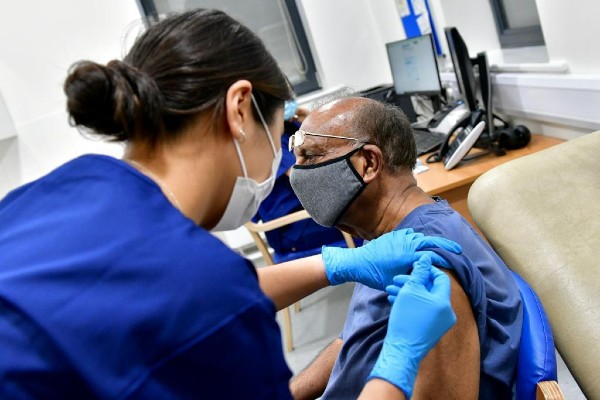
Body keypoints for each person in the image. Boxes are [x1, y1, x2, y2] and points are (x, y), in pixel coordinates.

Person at [0, 9, 463, 399]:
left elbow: (150, 302)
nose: (283, 160)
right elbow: (200, 299)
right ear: (240, 109)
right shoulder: (207, 291)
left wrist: (337, 265)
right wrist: (398, 364)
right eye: (281, 135)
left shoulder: (60, 188)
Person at [288, 97, 523, 400]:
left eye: (310, 156)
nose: (297, 173)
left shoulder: (429, 267)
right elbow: (352, 340)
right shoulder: (383, 239)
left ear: (369, 163)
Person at [252, 103, 360, 263]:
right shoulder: (269, 138)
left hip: (311, 215)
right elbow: (309, 179)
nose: (289, 102)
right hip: (294, 229)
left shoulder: (290, 126)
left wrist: (309, 121)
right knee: (369, 217)